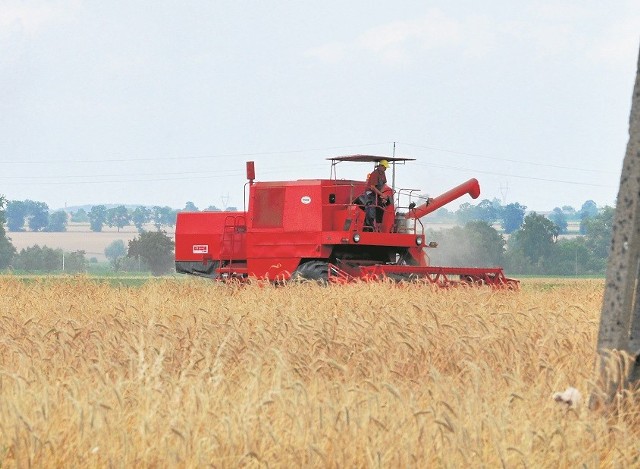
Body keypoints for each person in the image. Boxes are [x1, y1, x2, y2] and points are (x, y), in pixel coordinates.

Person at [363, 160, 391, 229]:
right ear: (380, 166)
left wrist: (382, 195)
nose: (385, 169)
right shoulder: (374, 174)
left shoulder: (383, 173)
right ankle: (370, 227)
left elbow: (383, 184)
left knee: (382, 206)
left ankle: (379, 225)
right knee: (371, 208)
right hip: (370, 193)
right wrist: (381, 194)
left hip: (377, 192)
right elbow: (372, 187)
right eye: (385, 167)